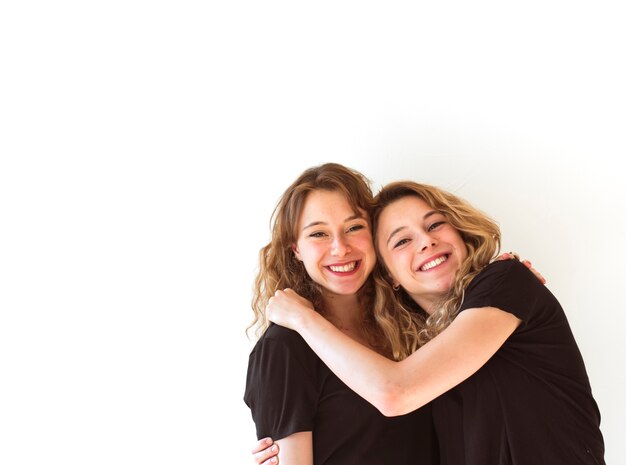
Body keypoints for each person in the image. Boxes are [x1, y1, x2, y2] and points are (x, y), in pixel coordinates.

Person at [265, 180, 605, 465]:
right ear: (390, 276)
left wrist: (302, 317)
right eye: (402, 240)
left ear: (459, 233)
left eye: (434, 224)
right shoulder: (416, 352)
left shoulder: (505, 282)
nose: (426, 241)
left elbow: (395, 393)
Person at [244, 164, 439, 465]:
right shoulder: (284, 348)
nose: (340, 248)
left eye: (354, 227)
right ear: (296, 248)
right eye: (319, 233)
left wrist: (504, 281)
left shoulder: (411, 321)